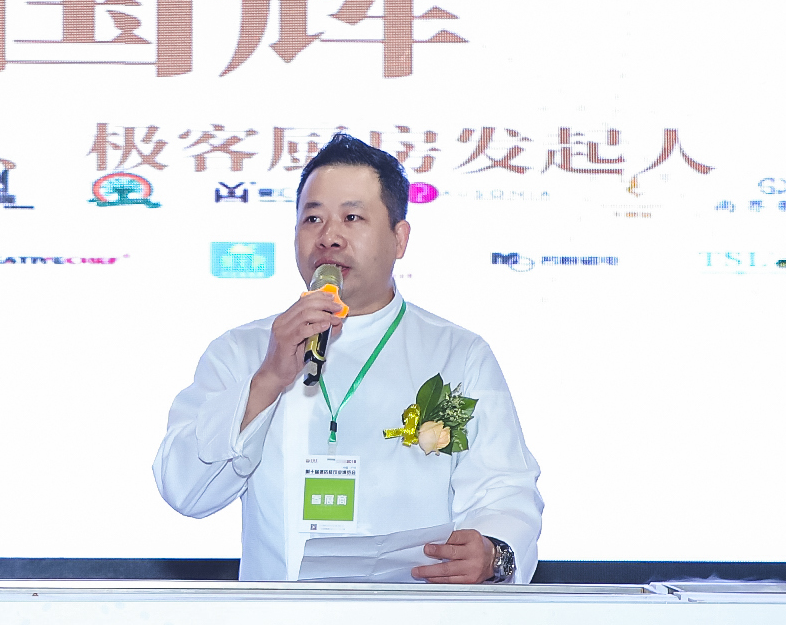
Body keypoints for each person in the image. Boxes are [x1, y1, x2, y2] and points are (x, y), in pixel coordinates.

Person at [154, 133, 542, 582]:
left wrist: (493, 554)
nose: (329, 238)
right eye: (312, 219)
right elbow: (186, 492)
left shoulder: (458, 353)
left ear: (399, 239)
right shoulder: (242, 351)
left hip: (418, 618)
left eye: (352, 217)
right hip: (277, 618)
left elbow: (504, 491)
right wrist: (268, 380)